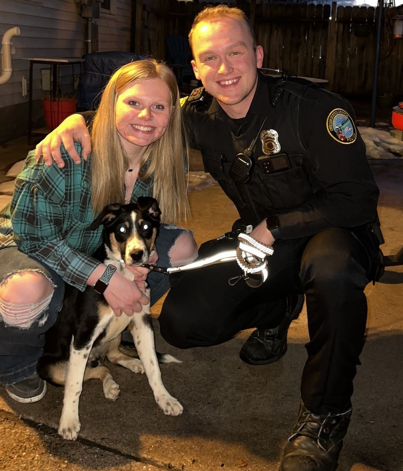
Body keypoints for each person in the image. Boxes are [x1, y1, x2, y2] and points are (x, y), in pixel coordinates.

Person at [34, 6, 384, 471]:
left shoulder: (314, 110)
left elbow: (357, 199)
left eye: (235, 52)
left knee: (332, 272)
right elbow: (143, 113)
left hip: (332, 233)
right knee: (184, 323)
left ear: (257, 55)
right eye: (209, 58)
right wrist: (76, 121)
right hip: (265, 244)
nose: (224, 68)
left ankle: (325, 415)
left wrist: (276, 225)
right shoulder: (199, 115)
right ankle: (277, 310)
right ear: (195, 68)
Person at [0, 59, 198, 406]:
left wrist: (143, 258)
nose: (145, 115)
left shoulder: (168, 159)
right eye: (133, 102)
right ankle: (17, 363)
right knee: (25, 291)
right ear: (111, 103)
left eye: (158, 106)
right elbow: (35, 238)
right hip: (35, 247)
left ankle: (107, 332)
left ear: (172, 113)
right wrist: (103, 278)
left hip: (96, 251)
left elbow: (149, 226)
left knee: (182, 248)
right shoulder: (66, 152)